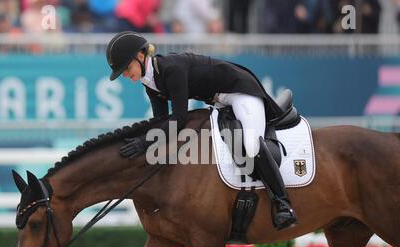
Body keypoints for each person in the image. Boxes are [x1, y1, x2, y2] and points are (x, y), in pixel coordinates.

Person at [106, 31, 297, 231]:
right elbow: (160, 123)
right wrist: (141, 142)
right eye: (123, 73)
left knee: (250, 145)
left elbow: (178, 119)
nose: (126, 75)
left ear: (141, 56)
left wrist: (144, 142)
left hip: (240, 93)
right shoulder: (150, 83)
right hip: (220, 103)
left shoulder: (171, 69)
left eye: (127, 68)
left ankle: (282, 203)